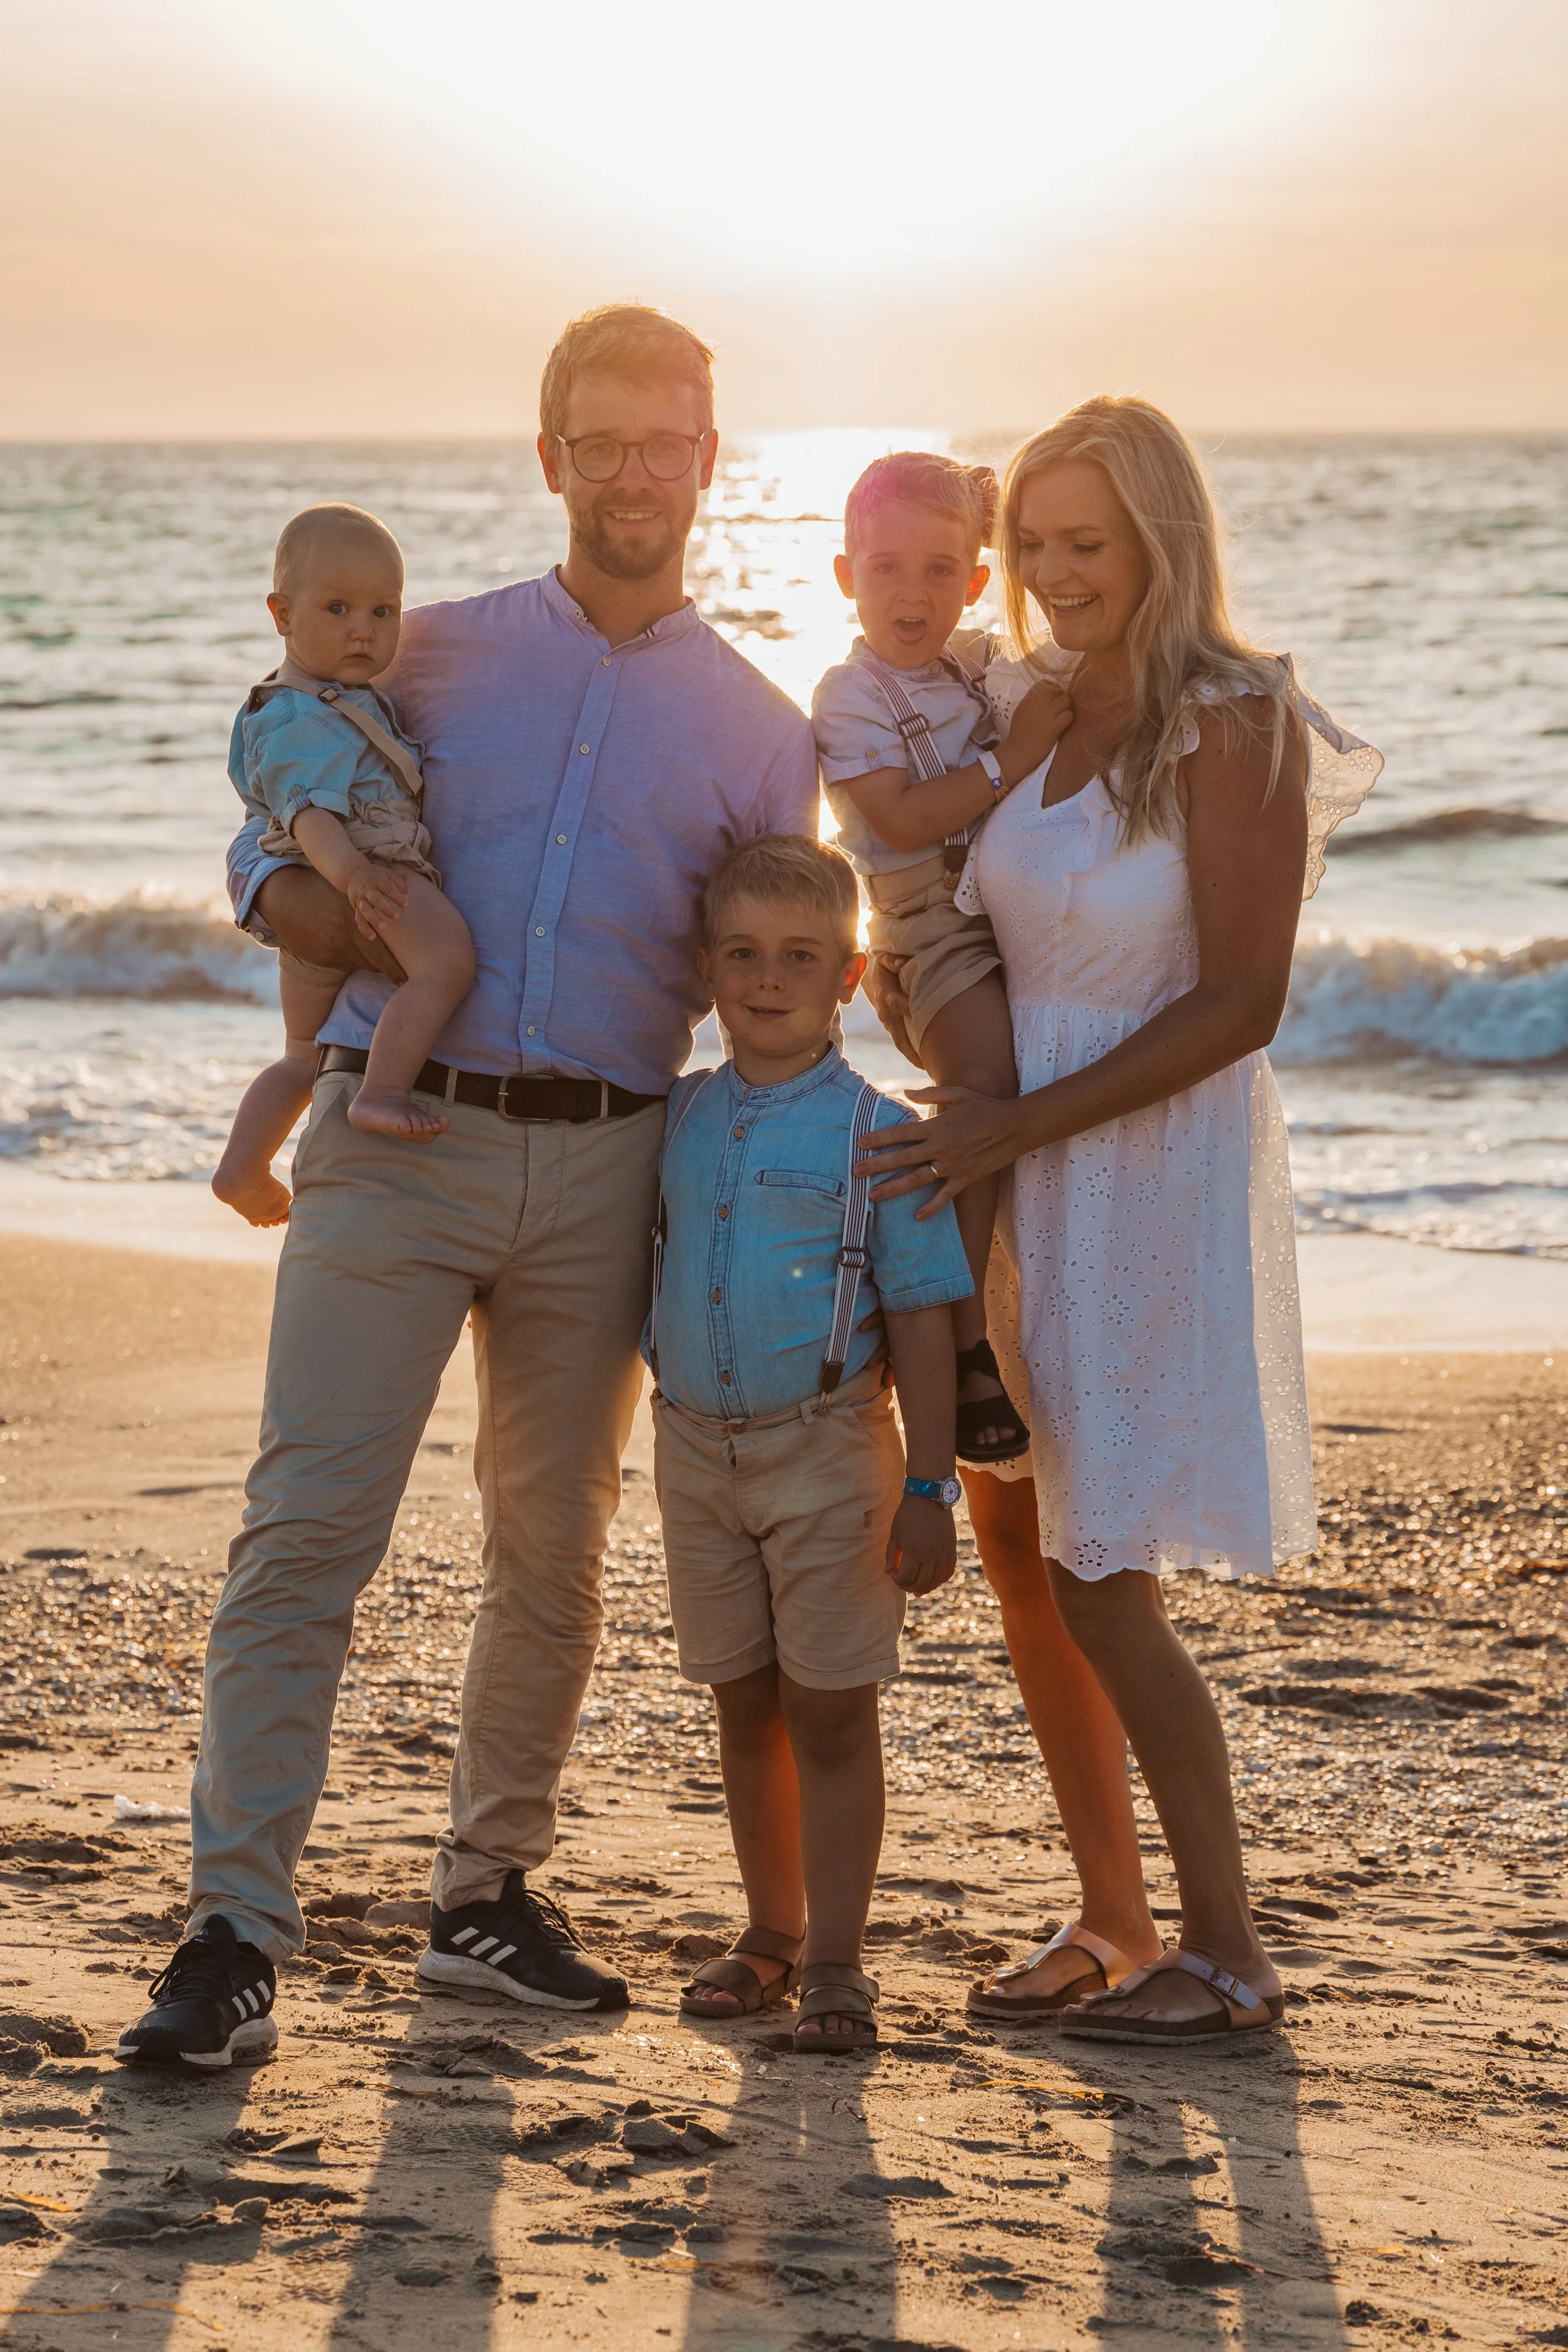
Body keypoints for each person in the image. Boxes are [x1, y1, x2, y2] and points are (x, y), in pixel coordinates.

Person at [114, 304, 820, 2070]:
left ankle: (485, 1894)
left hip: (610, 1163)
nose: (634, 472)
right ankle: (232, 1934)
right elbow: (270, 802)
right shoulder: (424, 651)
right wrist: (300, 905)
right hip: (393, 1140)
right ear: (550, 458)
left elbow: (782, 966)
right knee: (303, 1534)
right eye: (601, 440)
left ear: (709, 464)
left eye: (667, 441)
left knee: (552, 1556)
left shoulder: (754, 722)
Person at [859, 396, 1381, 2044]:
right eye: (1034, 542)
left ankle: (1228, 1951)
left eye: (1087, 541)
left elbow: (1239, 1000)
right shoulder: (1038, 704)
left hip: (1145, 1164)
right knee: (1019, 1540)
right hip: (1017, 1160)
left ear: (1160, 538)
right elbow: (976, 925)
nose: (1054, 573)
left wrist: (1018, 1116)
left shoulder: (1239, 718)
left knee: (1104, 1570)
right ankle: (1112, 1912)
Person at [652, 835, 971, 2053]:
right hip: (693, 1457)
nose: (765, 979)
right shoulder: (676, 1116)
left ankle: (836, 1960)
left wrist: (929, 1486)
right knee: (742, 1704)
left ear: (846, 979)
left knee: (831, 1713)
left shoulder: (877, 1135)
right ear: (706, 969)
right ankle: (768, 1932)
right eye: (741, 954)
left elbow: (928, 1326)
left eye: (797, 958)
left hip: (834, 1456)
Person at [812, 452, 1072, 1465]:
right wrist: (1014, 758)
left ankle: (957, 1283)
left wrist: (1001, 503)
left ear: (974, 578)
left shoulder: (980, 659)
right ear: (844, 576)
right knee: (984, 1089)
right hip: (928, 924)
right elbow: (906, 813)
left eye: (937, 569)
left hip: (1005, 911)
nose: (908, 594)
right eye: (883, 569)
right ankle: (960, 1337)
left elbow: (1056, 634)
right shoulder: (851, 694)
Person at [212, 504, 477, 1227]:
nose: (364, 628)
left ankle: (242, 1164)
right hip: (366, 874)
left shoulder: (332, 702)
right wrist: (357, 879)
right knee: (446, 963)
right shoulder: (299, 717)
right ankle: (381, 1093)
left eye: (383, 610)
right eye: (338, 608)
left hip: (324, 891)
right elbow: (308, 815)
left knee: (301, 1054)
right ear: (281, 614)